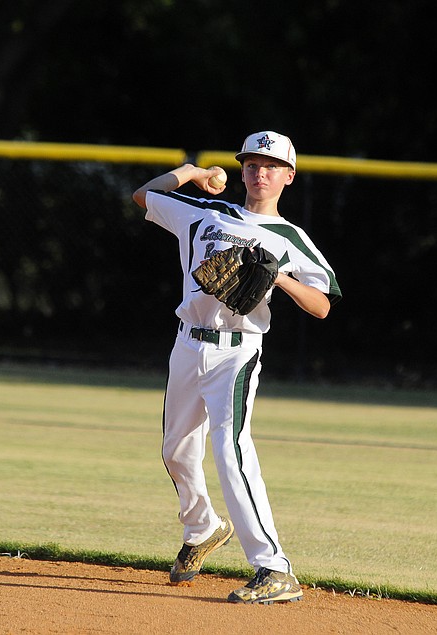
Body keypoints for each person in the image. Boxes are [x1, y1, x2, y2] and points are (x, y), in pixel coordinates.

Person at [132, 131, 341, 604]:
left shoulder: (290, 238)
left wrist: (280, 276)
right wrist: (194, 173)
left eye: (270, 165)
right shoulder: (207, 214)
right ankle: (203, 527)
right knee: (175, 452)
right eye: (251, 163)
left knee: (231, 452)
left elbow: (322, 305)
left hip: (236, 351)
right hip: (187, 344)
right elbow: (144, 196)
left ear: (288, 176)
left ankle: (274, 568)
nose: (259, 172)